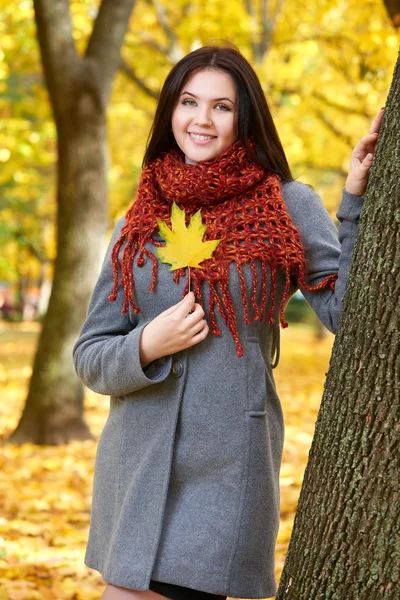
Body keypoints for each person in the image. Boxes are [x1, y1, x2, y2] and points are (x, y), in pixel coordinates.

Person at [73, 45, 383, 600]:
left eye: (222, 107)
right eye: (190, 102)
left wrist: (355, 200)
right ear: (170, 110)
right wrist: (146, 344)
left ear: (245, 118)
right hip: (137, 468)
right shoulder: (140, 219)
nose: (202, 119)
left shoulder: (286, 203)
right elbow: (91, 354)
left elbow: (345, 311)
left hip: (226, 468)